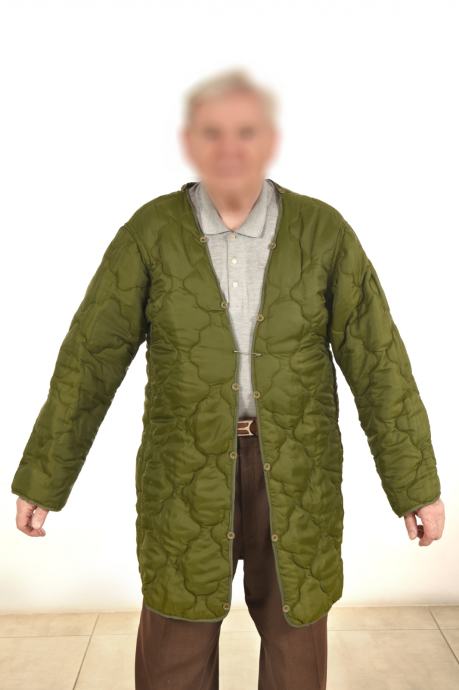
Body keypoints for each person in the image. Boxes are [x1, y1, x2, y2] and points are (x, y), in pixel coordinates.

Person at [11, 68, 444, 690]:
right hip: (183, 470)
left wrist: (416, 488)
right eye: (212, 132)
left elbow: (380, 366)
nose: (230, 148)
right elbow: (88, 362)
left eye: (246, 131)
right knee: (174, 656)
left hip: (296, 471)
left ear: (270, 140)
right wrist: (44, 480)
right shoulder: (150, 234)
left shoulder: (323, 233)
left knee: (297, 653)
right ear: (189, 142)